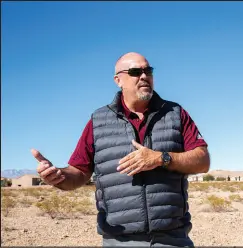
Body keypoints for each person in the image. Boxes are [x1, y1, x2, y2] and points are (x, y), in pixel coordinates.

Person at [31, 52, 210, 247]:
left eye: (148, 70)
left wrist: (161, 158)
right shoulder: (98, 121)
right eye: (135, 72)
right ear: (118, 80)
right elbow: (79, 171)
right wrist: (59, 176)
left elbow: (203, 160)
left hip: (173, 239)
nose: (144, 76)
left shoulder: (175, 113)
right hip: (120, 240)